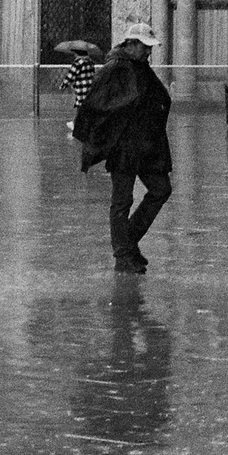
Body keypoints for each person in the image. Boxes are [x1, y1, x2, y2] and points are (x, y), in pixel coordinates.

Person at [73, 23, 172, 274]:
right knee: (122, 201)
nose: (149, 52)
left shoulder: (141, 68)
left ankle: (127, 243)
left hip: (146, 147)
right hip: (124, 146)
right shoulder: (115, 68)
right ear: (130, 44)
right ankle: (123, 254)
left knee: (160, 189)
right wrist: (102, 138)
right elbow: (94, 105)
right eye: (145, 47)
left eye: (150, 48)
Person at [61, 47, 99, 112]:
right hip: (90, 86)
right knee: (88, 104)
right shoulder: (90, 62)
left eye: (75, 53)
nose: (74, 55)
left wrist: (64, 84)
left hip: (81, 86)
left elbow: (71, 75)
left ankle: (80, 120)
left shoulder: (78, 62)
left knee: (80, 103)